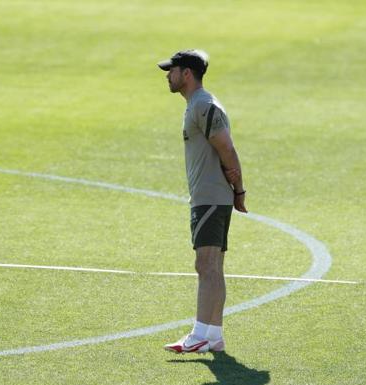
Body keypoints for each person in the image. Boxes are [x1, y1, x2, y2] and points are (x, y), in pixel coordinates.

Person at [158, 49, 247, 354]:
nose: (167, 75)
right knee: (213, 266)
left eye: (172, 70)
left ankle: (199, 333)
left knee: (205, 265)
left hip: (210, 197)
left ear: (186, 74)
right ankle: (214, 335)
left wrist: (239, 190)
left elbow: (227, 149)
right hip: (210, 196)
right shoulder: (197, 105)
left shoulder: (203, 106)